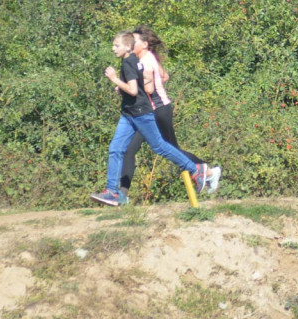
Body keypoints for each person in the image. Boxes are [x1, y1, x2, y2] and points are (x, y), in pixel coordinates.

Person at [91, 32, 208, 206]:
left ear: (127, 46)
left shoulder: (128, 62)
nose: (113, 48)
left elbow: (132, 90)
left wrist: (115, 79)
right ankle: (112, 192)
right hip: (129, 113)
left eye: (116, 45)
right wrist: (122, 87)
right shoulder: (132, 61)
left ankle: (195, 169)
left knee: (159, 146)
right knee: (115, 148)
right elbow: (139, 82)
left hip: (140, 113)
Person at [119, 26, 221, 199]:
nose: (130, 44)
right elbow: (164, 76)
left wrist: (128, 87)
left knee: (169, 149)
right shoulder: (145, 58)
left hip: (158, 112)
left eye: (134, 41)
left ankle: (208, 172)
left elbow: (149, 89)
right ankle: (122, 194)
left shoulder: (145, 62)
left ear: (144, 44)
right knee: (131, 149)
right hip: (148, 112)